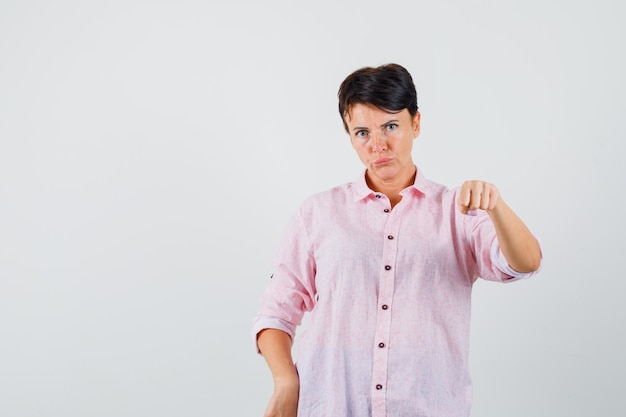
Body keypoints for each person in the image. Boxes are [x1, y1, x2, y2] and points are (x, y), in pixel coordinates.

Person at [252, 63, 542, 417]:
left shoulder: (458, 210)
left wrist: (496, 206)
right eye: (361, 132)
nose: (378, 145)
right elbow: (276, 312)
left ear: (415, 123)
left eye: (391, 126)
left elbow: (525, 263)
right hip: (332, 406)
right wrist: (286, 383)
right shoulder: (318, 213)